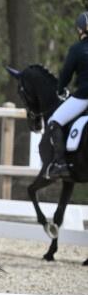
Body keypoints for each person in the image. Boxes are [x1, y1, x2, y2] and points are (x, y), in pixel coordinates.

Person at [46, 11, 88, 178]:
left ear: (80, 30)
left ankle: (60, 164)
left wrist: (60, 89)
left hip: (84, 96)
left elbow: (66, 74)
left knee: (54, 122)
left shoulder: (77, 49)